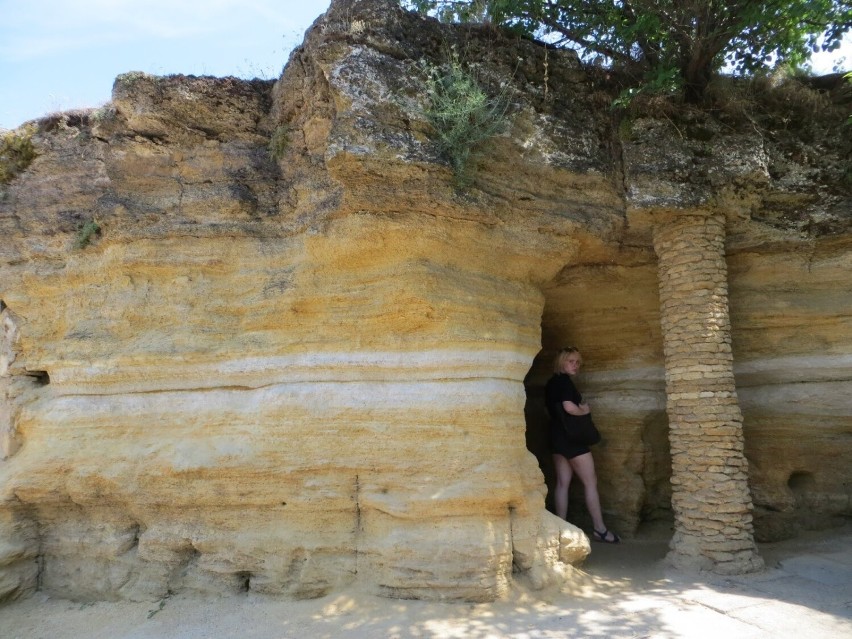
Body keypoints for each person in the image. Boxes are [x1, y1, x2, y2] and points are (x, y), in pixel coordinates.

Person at [544, 347, 620, 543]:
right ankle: (600, 529)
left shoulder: (551, 383)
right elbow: (569, 408)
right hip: (572, 440)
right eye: (571, 361)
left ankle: (561, 528)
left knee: (562, 484)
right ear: (561, 362)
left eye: (578, 362)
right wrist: (584, 411)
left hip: (557, 437)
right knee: (590, 482)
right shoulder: (565, 383)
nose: (575, 365)